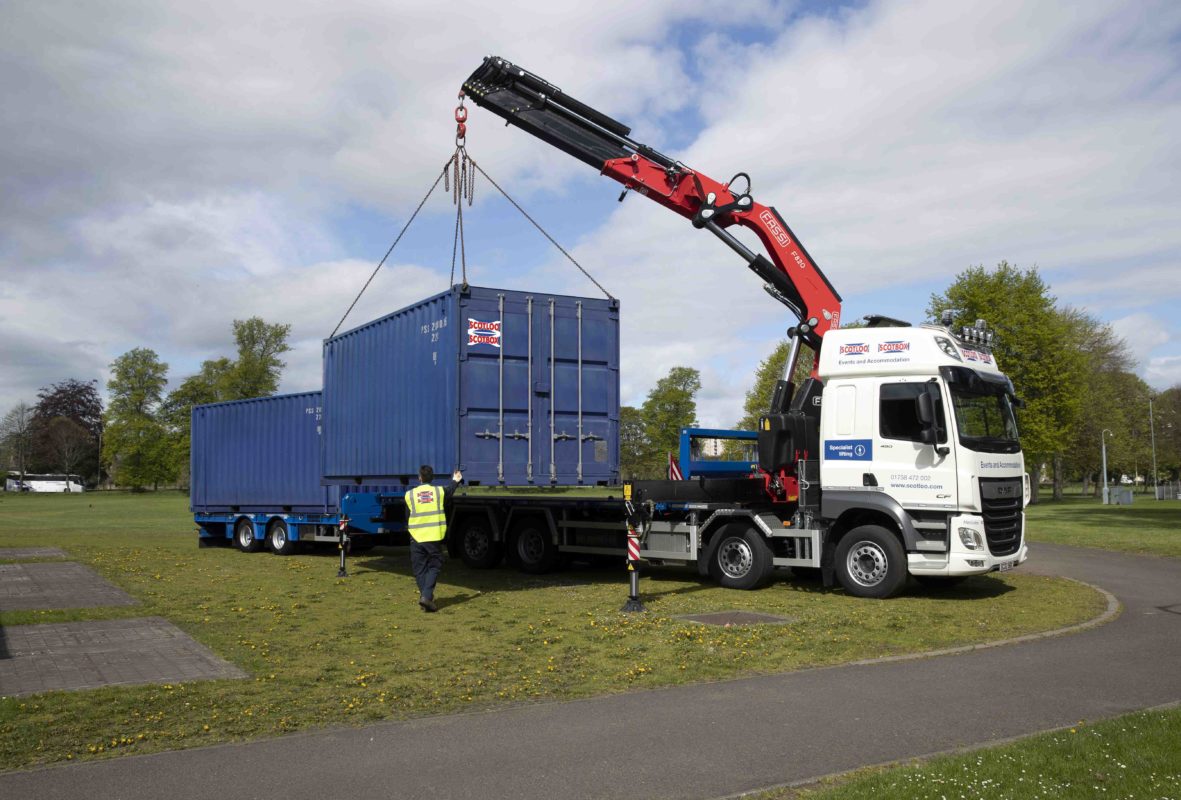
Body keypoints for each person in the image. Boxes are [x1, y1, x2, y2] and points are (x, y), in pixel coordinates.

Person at [404, 465, 462, 612]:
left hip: (416, 537)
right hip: (433, 536)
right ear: (432, 478)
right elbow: (450, 491)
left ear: (419, 478)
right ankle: (426, 597)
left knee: (419, 570)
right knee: (435, 566)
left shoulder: (409, 495)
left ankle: (426, 597)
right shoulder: (438, 492)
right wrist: (456, 480)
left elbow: (407, 517)